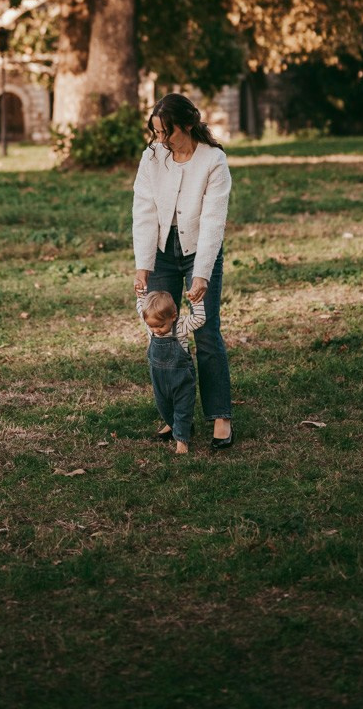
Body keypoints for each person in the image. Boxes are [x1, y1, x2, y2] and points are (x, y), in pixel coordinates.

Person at [132, 93, 234, 449]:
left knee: (205, 332)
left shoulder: (213, 161)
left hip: (198, 253)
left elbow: (212, 221)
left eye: (167, 132)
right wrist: (143, 265)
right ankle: (175, 417)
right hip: (161, 252)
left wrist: (202, 273)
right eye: (156, 132)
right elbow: (144, 209)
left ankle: (220, 415)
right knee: (159, 333)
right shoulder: (153, 157)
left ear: (187, 124)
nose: (162, 140)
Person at [137, 289, 206, 455]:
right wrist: (140, 293)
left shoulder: (180, 325)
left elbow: (199, 319)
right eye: (151, 326)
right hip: (159, 379)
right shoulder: (151, 326)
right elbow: (140, 308)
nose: (156, 330)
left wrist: (196, 301)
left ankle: (182, 440)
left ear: (173, 316)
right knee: (164, 407)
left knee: (182, 407)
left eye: (160, 326)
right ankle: (181, 426)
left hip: (181, 378)